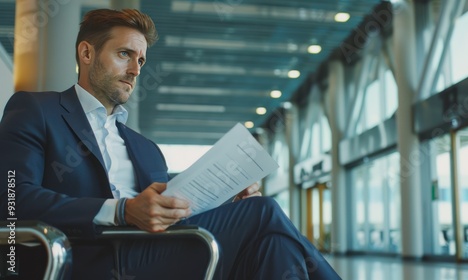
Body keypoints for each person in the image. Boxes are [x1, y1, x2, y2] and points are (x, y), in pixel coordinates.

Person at [0, 8, 342, 280]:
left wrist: (225, 201)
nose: (135, 69)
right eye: (124, 54)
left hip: (159, 250)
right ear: (86, 53)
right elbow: (12, 201)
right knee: (264, 212)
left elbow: (169, 212)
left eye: (141, 60)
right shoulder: (36, 110)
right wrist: (119, 211)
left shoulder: (144, 147)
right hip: (87, 257)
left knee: (272, 245)